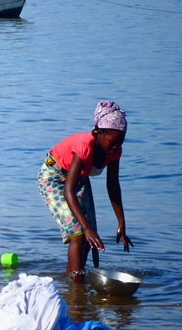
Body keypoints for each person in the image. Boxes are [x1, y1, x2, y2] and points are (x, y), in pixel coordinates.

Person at [39, 101, 134, 276]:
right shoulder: (85, 146)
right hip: (54, 178)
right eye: (113, 142)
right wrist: (86, 228)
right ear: (98, 133)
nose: (116, 147)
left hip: (78, 179)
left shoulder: (115, 152)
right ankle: (77, 287)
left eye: (120, 143)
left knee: (90, 240)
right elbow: (68, 190)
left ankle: (74, 281)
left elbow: (112, 184)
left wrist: (121, 222)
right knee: (80, 233)